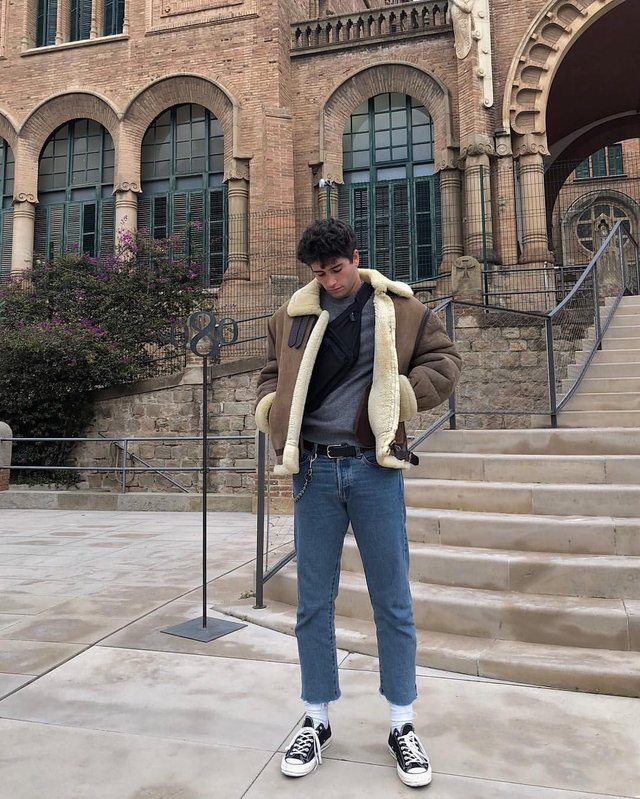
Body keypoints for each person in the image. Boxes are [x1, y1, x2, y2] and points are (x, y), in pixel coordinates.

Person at [255, 218, 461, 788]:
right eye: (319, 273)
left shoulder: (402, 308)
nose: (330, 281)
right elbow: (270, 374)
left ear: (355, 255)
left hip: (374, 468)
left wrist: (402, 397)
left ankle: (401, 723)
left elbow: (445, 362)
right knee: (312, 602)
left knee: (391, 599)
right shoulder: (290, 315)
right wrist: (271, 407)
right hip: (313, 471)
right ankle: (316, 717)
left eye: (337, 269)